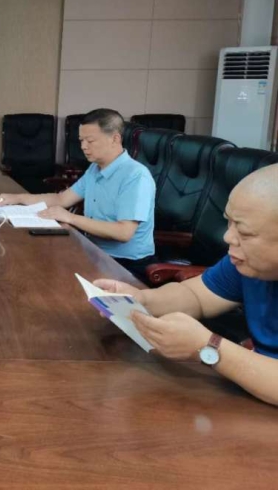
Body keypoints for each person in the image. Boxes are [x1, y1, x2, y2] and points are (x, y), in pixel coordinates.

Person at [95, 164, 278, 406]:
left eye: (244, 233)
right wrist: (142, 299)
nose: (227, 237)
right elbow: (196, 296)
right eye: (229, 222)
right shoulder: (246, 263)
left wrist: (209, 347)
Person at [0, 108, 155, 281]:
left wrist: (71, 218)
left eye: (90, 141)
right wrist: (18, 198)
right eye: (81, 140)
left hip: (126, 264)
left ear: (115, 139)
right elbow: (61, 199)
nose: (83, 146)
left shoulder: (135, 176)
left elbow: (124, 232)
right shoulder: (95, 169)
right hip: (94, 252)